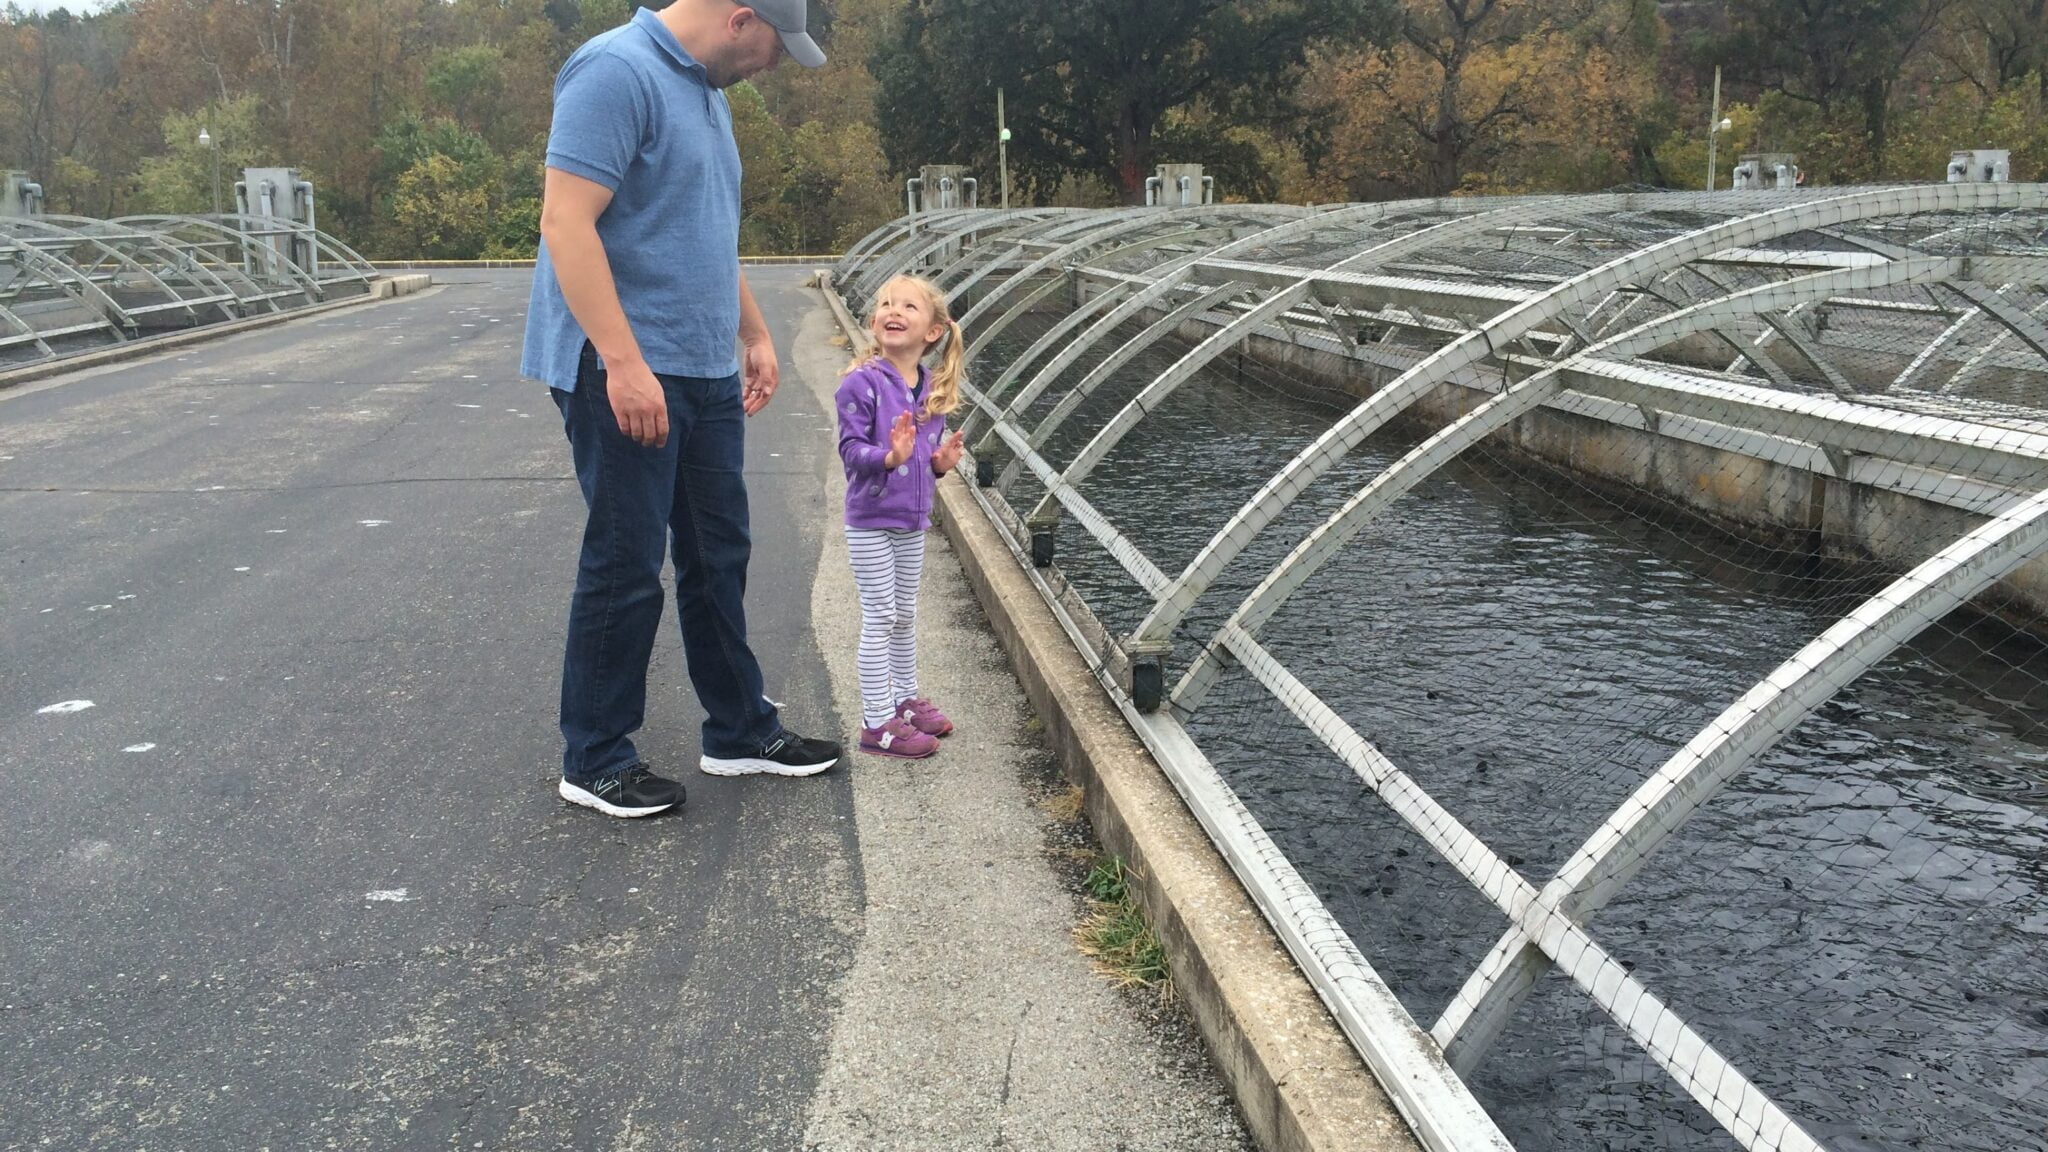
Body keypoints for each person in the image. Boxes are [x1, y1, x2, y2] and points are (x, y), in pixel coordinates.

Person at [521, 0, 837, 819]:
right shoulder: (614, 70)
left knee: (718, 552)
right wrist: (622, 364)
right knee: (627, 564)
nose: (773, 65)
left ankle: (738, 730)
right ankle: (594, 757)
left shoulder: (706, 95)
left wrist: (755, 331)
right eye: (775, 45)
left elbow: (704, 233)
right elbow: (566, 222)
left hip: (700, 367)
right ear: (741, 18)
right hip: (623, 366)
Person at [835, 276, 968, 759]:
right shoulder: (861, 383)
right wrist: (889, 457)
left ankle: (904, 699)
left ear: (932, 332)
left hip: (912, 520)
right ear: (874, 323)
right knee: (881, 615)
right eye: (887, 304)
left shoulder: (929, 388)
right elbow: (851, 451)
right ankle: (876, 721)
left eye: (909, 306)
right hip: (870, 519)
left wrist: (937, 466)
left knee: (905, 613)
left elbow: (923, 456)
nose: (894, 310)